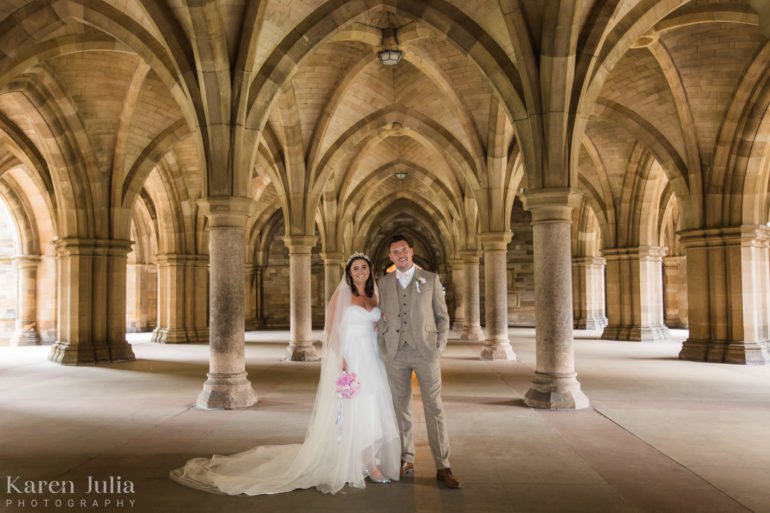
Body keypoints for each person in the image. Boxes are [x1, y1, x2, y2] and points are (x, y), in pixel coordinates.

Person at [170, 253, 400, 495]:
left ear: (370, 271)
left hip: (373, 358)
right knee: (356, 408)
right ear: (349, 273)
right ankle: (368, 465)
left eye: (364, 267)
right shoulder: (342, 297)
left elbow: (378, 325)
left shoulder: (374, 295)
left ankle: (367, 455)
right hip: (352, 358)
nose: (360, 271)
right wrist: (342, 361)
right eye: (356, 268)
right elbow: (331, 332)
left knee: (373, 405)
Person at [377, 234, 461, 488]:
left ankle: (443, 465)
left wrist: (439, 348)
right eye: (395, 252)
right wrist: (383, 347)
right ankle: (406, 457)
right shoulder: (383, 283)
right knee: (399, 408)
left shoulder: (430, 279)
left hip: (426, 352)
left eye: (404, 250)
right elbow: (380, 318)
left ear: (411, 251)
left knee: (434, 408)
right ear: (390, 256)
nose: (400, 255)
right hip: (395, 354)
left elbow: (442, 317)